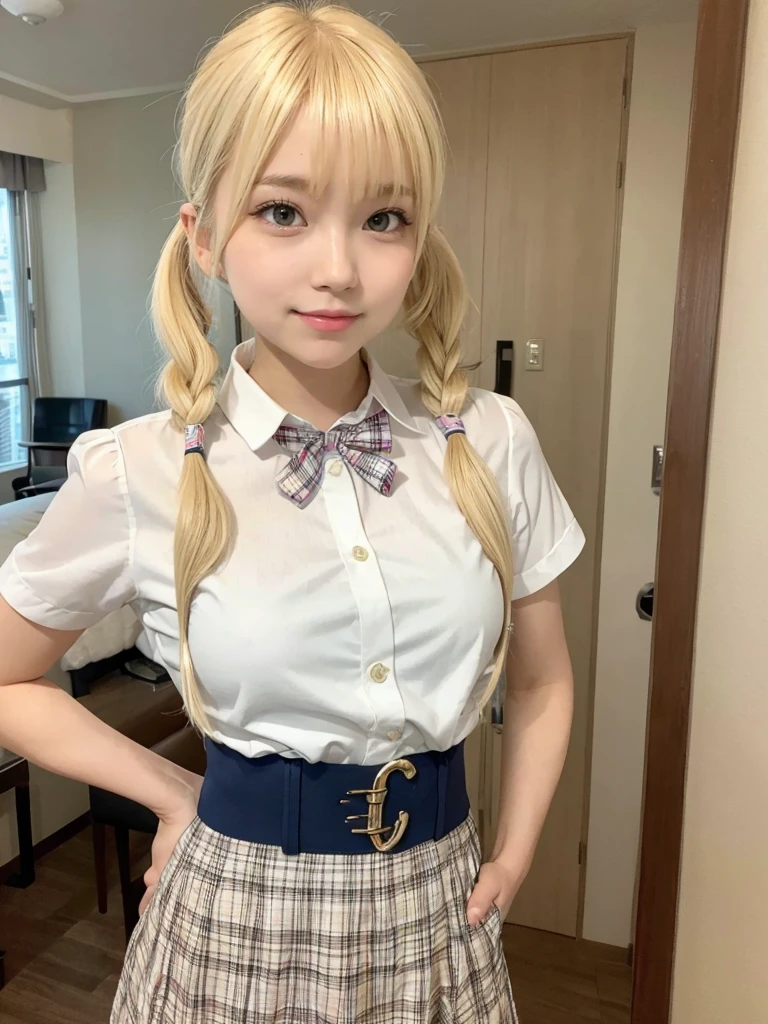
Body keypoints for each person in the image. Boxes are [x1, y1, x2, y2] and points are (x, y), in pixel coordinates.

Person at [0, 2, 586, 1021]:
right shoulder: (134, 470)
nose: (339, 268)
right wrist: (171, 789)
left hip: (441, 908)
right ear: (207, 235)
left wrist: (520, 847)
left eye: (383, 218)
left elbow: (542, 685)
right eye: (283, 211)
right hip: (236, 915)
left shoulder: (489, 441)